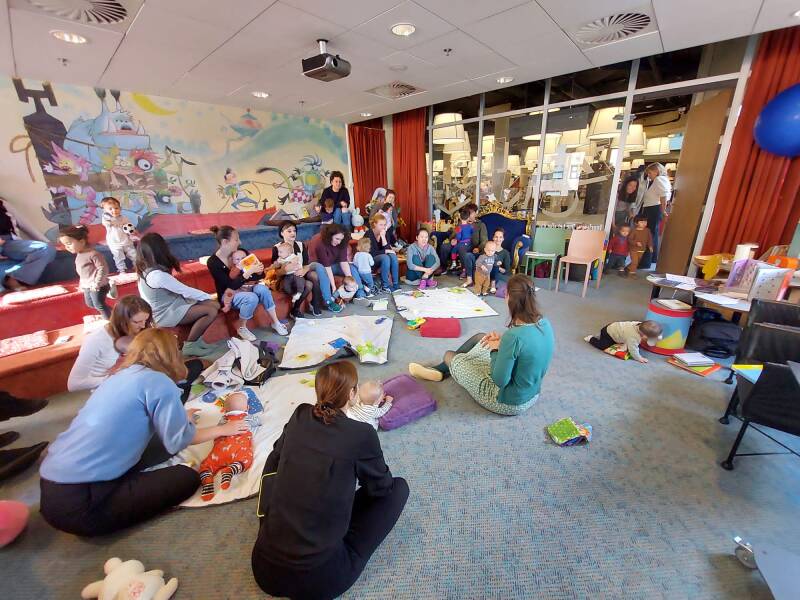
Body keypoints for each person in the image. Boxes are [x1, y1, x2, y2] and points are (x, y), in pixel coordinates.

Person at [39, 329, 249, 537]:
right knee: (187, 478)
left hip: (51, 486)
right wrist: (223, 429)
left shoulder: (119, 376)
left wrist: (181, 419)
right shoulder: (161, 383)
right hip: (81, 505)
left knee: (158, 447)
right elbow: (180, 440)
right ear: (171, 354)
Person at [251, 361, 409, 600]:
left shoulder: (300, 414)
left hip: (264, 571)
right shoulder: (361, 434)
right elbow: (381, 488)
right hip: (322, 580)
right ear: (352, 394)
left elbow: (276, 457)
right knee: (398, 488)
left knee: (287, 472)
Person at [409, 274, 555, 416]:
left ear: (509, 297)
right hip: (532, 394)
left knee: (449, 355)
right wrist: (502, 343)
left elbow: (499, 380)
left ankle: (444, 368)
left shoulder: (513, 337)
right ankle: (439, 370)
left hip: (506, 401)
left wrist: (495, 350)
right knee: (481, 337)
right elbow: (525, 348)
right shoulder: (544, 323)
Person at [67, 296, 204, 401]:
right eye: (137, 322)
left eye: (145, 320)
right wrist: (114, 378)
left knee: (194, 366)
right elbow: (73, 384)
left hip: (139, 378)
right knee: (174, 386)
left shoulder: (136, 332)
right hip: (115, 388)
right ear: (121, 320)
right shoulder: (96, 340)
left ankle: (175, 395)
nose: (143, 326)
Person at [136, 232, 219, 357]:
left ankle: (198, 341)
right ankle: (190, 346)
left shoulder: (146, 269)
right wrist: (209, 296)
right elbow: (184, 290)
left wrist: (208, 299)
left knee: (214, 305)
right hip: (165, 313)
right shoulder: (157, 276)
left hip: (173, 304)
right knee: (210, 311)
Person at [206, 225, 288, 341]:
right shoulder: (213, 262)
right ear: (225, 242)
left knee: (263, 289)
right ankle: (242, 327)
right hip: (229, 294)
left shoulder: (240, 253)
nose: (240, 242)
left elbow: (260, 275)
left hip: (247, 287)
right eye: (236, 239)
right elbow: (230, 285)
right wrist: (247, 273)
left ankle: (276, 322)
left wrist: (258, 270)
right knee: (251, 297)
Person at [198, 391, 253, 502]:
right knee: (246, 459)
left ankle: (207, 480)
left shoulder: (223, 420)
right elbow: (259, 421)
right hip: (238, 451)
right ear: (247, 408)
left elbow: (217, 430)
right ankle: (230, 470)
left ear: (225, 410)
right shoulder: (248, 419)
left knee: (206, 465)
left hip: (219, 452)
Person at [0, 197, 56, 292]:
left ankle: (12, 278)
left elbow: (24, 224)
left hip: (9, 243)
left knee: (46, 249)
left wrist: (47, 241)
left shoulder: (2, 204)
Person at [59, 224, 113, 319]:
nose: (67, 247)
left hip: (98, 285)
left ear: (82, 241)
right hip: (87, 285)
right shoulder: (79, 255)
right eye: (65, 245)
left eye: (69, 244)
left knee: (99, 304)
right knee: (90, 304)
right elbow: (83, 273)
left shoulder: (93, 254)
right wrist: (82, 284)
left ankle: (110, 320)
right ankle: (115, 313)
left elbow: (103, 268)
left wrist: (97, 283)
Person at [311, 223, 367, 313]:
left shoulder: (342, 243)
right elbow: (327, 267)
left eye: (341, 239)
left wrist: (350, 280)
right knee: (323, 272)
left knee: (352, 268)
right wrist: (333, 286)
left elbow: (343, 262)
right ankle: (328, 301)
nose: (339, 242)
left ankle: (360, 294)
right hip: (323, 267)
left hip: (335, 265)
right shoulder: (321, 245)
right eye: (337, 239)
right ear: (330, 236)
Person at [271, 222, 322, 317]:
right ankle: (295, 309)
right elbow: (275, 271)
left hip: (299, 274)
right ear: (282, 233)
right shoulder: (277, 248)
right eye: (289, 231)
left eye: (294, 231)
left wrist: (304, 270)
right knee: (308, 285)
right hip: (286, 278)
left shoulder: (301, 245)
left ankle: (315, 303)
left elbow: (306, 264)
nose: (293, 233)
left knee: (313, 275)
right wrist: (285, 270)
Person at [437, 203, 488, 281]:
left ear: (475, 213)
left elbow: (484, 240)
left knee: (462, 249)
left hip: (471, 246)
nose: (468, 215)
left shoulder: (481, 225)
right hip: (458, 243)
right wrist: (453, 239)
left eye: (470, 213)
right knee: (445, 246)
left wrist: (478, 248)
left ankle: (465, 270)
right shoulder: (462, 223)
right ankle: (443, 267)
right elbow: (454, 234)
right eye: (467, 213)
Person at [584, 320, 662, 364]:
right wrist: (639, 358)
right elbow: (633, 349)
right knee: (604, 346)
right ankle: (591, 339)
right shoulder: (633, 337)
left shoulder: (640, 325)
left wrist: (657, 336)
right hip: (608, 333)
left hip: (615, 327)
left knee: (626, 338)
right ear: (644, 336)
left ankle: (621, 341)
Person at [639, 162, 671, 261]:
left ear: (656, 171)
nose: (648, 175)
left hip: (653, 209)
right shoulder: (663, 179)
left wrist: (663, 210)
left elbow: (663, 196)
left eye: (650, 173)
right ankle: (652, 257)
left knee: (649, 235)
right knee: (653, 234)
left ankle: (646, 260)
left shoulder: (659, 179)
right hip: (653, 208)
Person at [100, 196, 137, 273]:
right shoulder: (106, 219)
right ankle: (122, 270)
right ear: (105, 211)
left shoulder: (124, 218)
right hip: (114, 243)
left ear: (120, 209)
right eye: (110, 209)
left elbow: (129, 228)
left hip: (126, 241)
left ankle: (137, 266)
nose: (114, 210)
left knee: (134, 255)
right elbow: (107, 222)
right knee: (118, 257)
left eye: (116, 208)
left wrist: (132, 231)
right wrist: (107, 215)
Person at [365, 213, 400, 292]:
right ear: (375, 224)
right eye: (381, 225)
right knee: (385, 257)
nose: (383, 227)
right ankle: (385, 286)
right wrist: (385, 251)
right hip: (370, 260)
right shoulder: (368, 234)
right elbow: (370, 253)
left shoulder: (384, 233)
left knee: (393, 256)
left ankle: (395, 284)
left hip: (382, 259)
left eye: (384, 225)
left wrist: (383, 237)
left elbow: (388, 250)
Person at [274, 242, 310, 310]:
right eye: (278, 252)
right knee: (286, 286)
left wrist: (292, 263)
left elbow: (299, 261)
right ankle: (293, 295)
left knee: (300, 282)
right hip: (287, 276)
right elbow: (276, 269)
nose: (279, 254)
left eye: (281, 252)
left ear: (288, 253)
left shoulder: (293, 256)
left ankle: (299, 293)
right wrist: (277, 265)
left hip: (296, 273)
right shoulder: (280, 257)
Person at [449, 208, 473, 273]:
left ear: (460, 217)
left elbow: (458, 237)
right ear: (468, 218)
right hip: (469, 243)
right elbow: (472, 233)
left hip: (461, 243)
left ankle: (454, 263)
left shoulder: (458, 227)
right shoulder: (471, 226)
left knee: (453, 250)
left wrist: (456, 240)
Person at [489, 229, 511, 294]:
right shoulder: (488, 249)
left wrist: (497, 268)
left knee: (495, 265)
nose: (498, 239)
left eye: (500, 237)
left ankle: (493, 285)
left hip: (497, 274)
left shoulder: (505, 253)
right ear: (493, 238)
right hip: (486, 271)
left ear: (503, 239)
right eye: (496, 237)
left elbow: (507, 271)